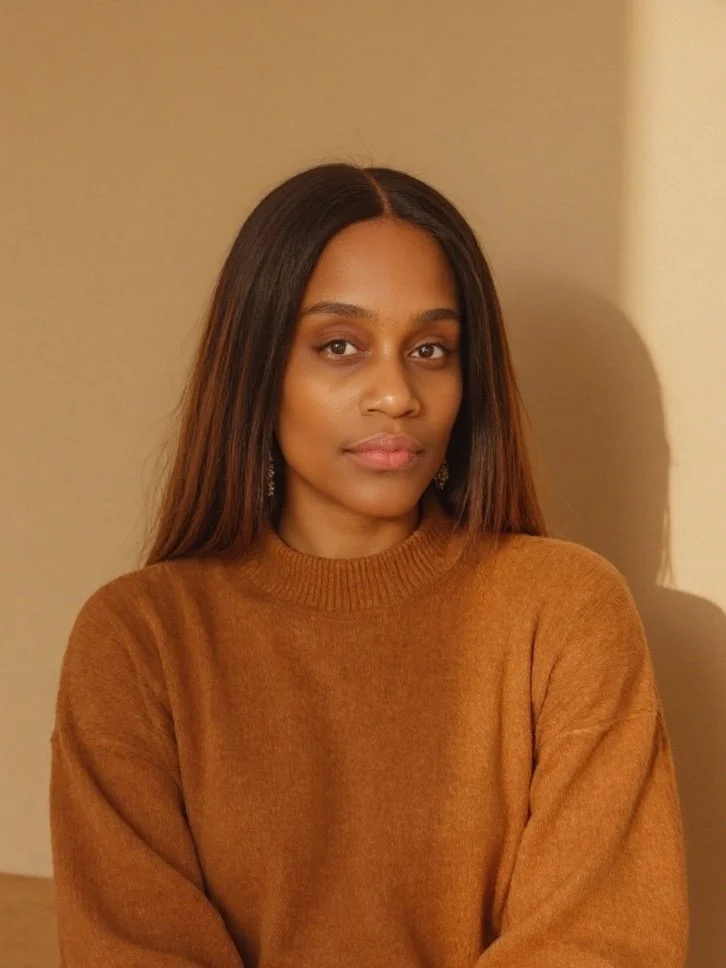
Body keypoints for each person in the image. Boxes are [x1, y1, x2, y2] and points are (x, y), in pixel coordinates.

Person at [49, 162, 689, 967]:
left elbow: (604, 944)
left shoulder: (563, 612)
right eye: (340, 345)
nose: (396, 394)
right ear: (258, 370)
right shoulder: (140, 640)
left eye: (430, 348)